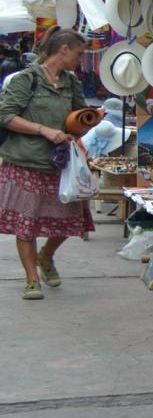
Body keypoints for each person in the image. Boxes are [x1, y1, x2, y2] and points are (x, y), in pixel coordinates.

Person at [0, 28, 93, 300]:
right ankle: (31, 280)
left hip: (60, 163)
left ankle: (47, 256)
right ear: (63, 50)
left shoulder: (71, 82)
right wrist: (43, 130)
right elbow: (5, 116)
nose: (80, 59)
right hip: (25, 162)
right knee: (25, 224)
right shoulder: (26, 79)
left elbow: (78, 114)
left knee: (71, 219)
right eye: (78, 53)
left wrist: (87, 122)